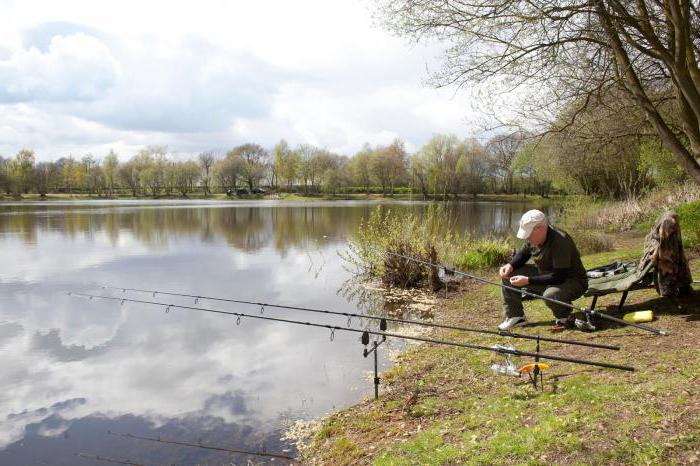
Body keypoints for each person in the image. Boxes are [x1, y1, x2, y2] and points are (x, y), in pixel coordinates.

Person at [497, 209, 588, 331]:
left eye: (529, 234)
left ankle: (565, 316)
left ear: (539, 228)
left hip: (572, 280)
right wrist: (510, 265)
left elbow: (559, 276)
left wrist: (528, 280)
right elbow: (523, 254)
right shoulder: (535, 237)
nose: (527, 238)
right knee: (510, 274)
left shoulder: (560, 241)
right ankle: (516, 316)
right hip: (547, 274)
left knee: (550, 295)